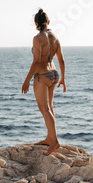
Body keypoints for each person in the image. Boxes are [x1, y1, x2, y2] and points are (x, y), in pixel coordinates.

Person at [22, 8, 66, 155]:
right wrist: (63, 79)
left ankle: (54, 142)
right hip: (54, 74)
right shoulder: (55, 38)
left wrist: (27, 80)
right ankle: (50, 138)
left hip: (42, 76)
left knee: (44, 109)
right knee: (50, 108)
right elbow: (61, 60)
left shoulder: (37, 39)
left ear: (35, 23)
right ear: (48, 22)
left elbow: (36, 62)